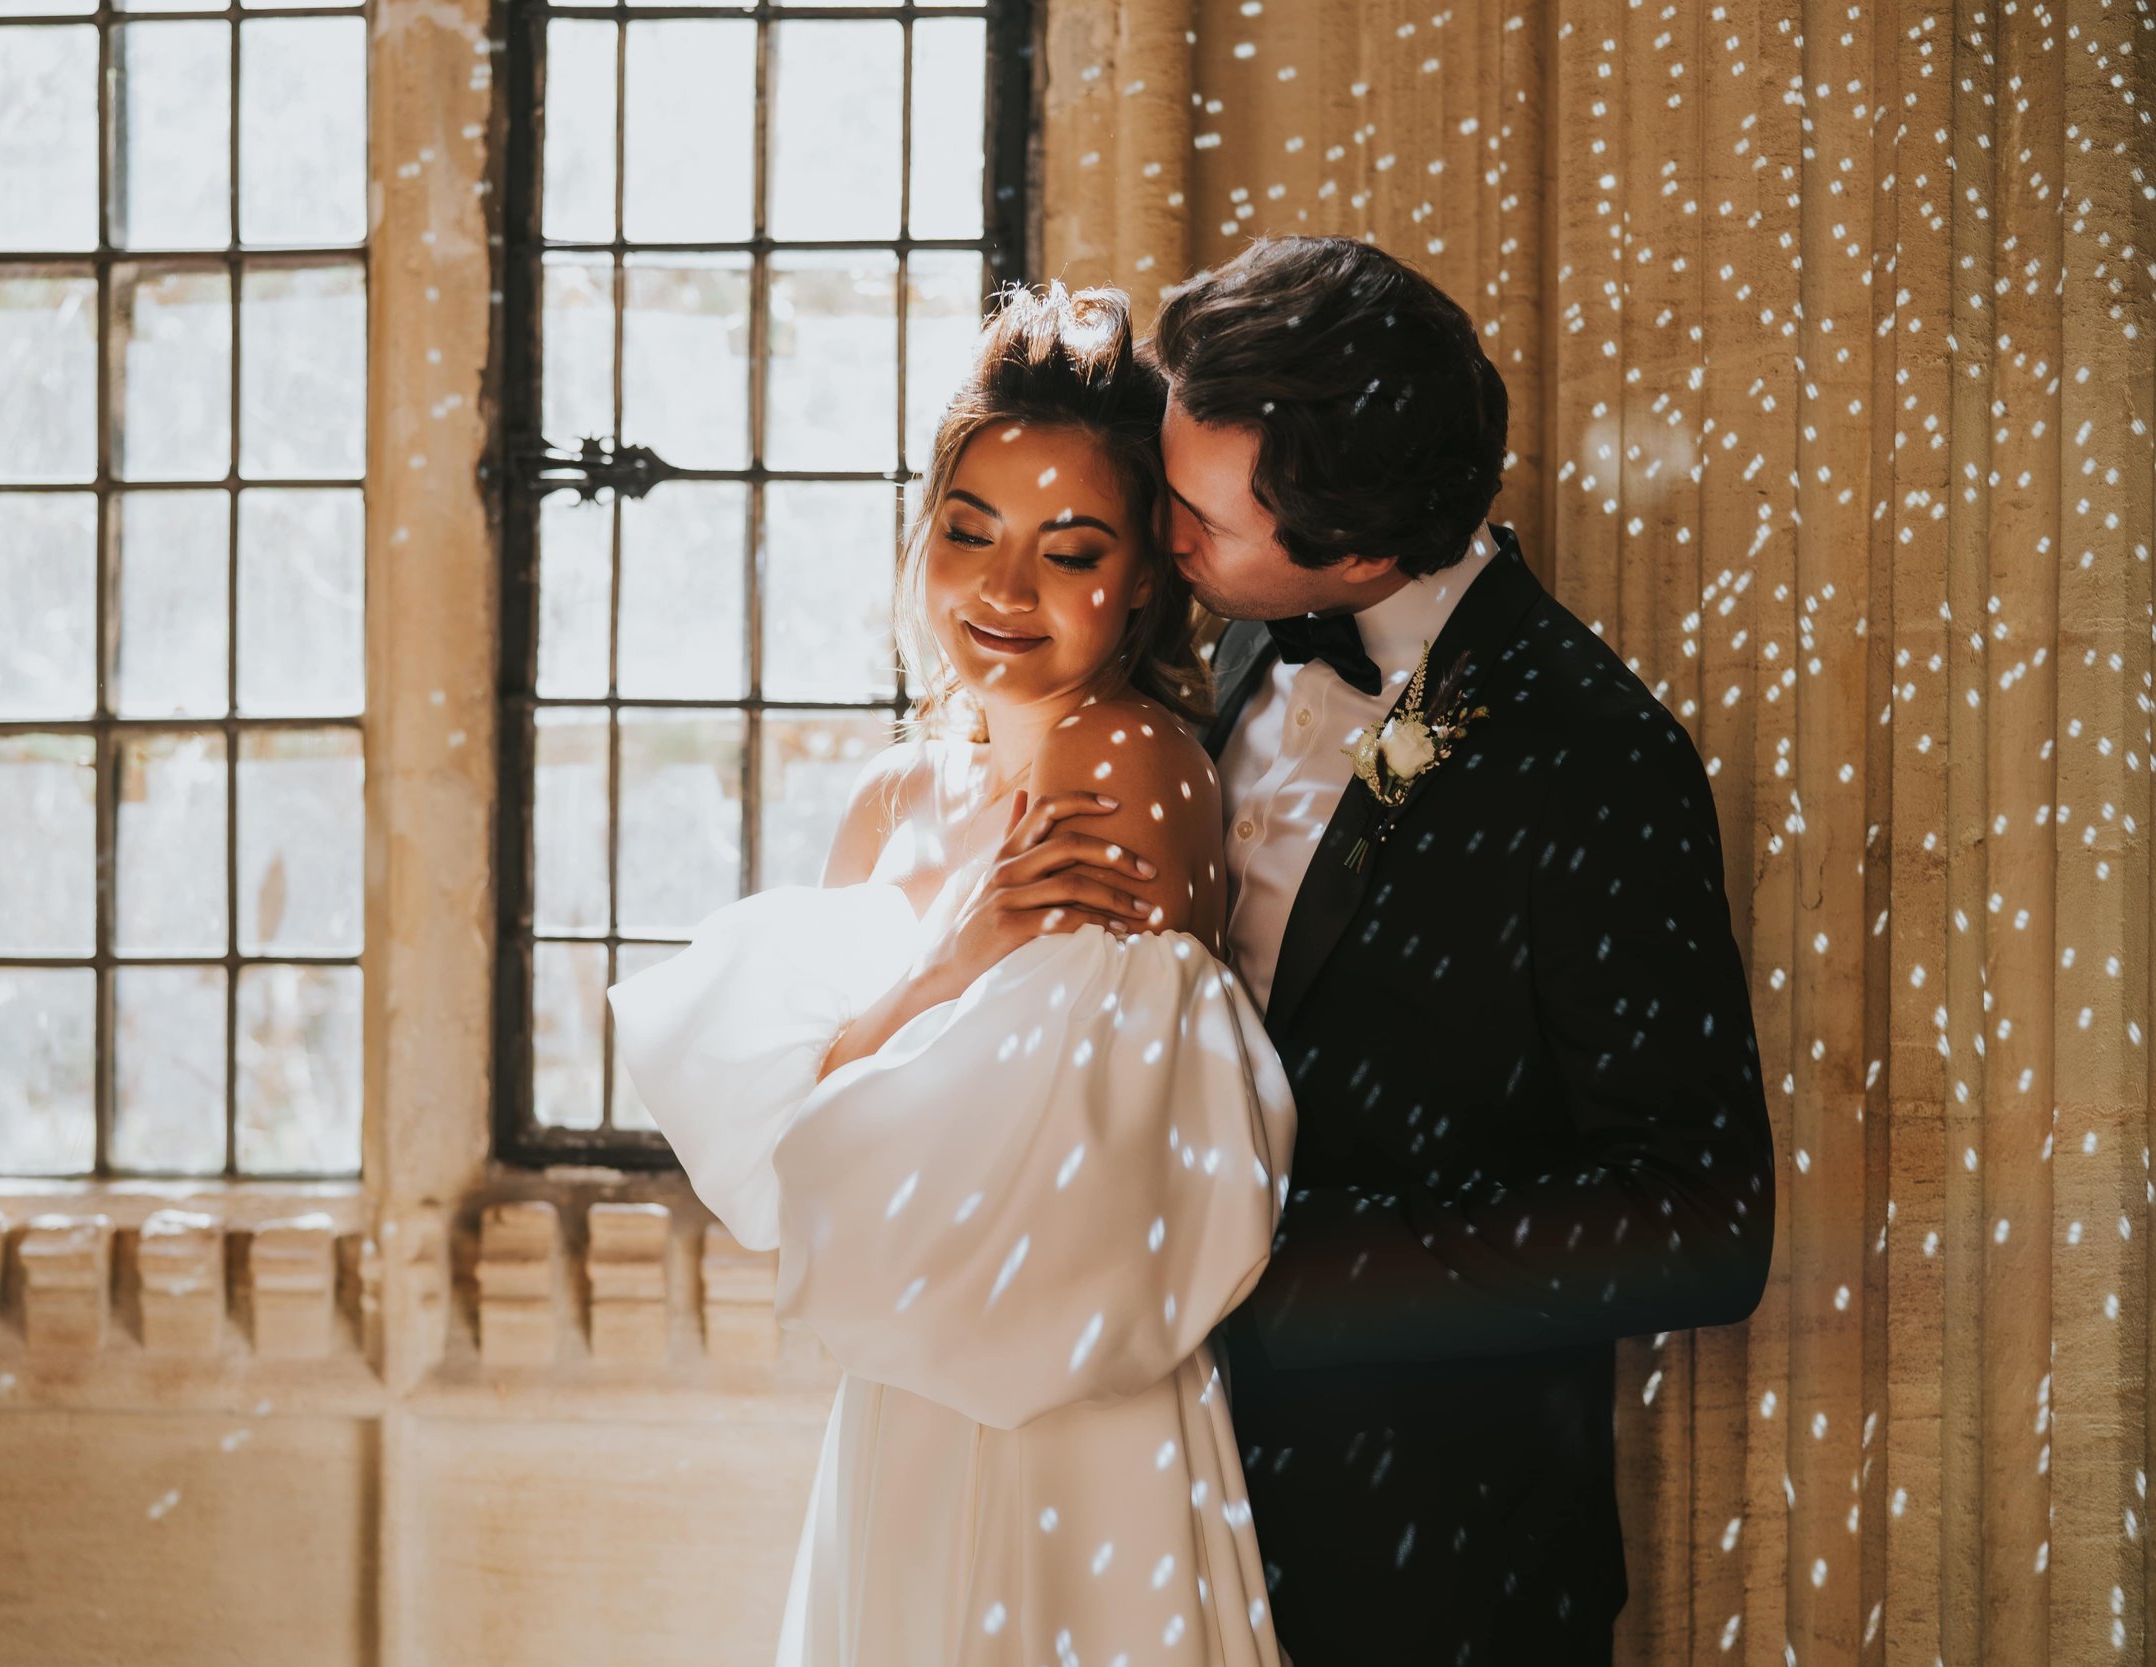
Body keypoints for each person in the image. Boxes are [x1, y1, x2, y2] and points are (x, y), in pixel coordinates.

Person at [607, 283, 1296, 1666]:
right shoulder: (891, 796)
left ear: (1147, 575)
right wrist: (953, 959)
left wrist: (864, 1068)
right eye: (969, 531)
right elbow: (796, 1161)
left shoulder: (1129, 761)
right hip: (903, 1398)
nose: (1000, 589)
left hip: (1060, 1401)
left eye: (1070, 550)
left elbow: (1046, 1182)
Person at [1152, 235, 1777, 1665]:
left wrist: (1264, 1276)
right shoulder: (1243, 637)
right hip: (1167, 1514)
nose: (1161, 534)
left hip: (1435, 1571)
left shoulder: (1596, 759)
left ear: (1353, 544)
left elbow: (1700, 1219)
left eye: (1198, 518)